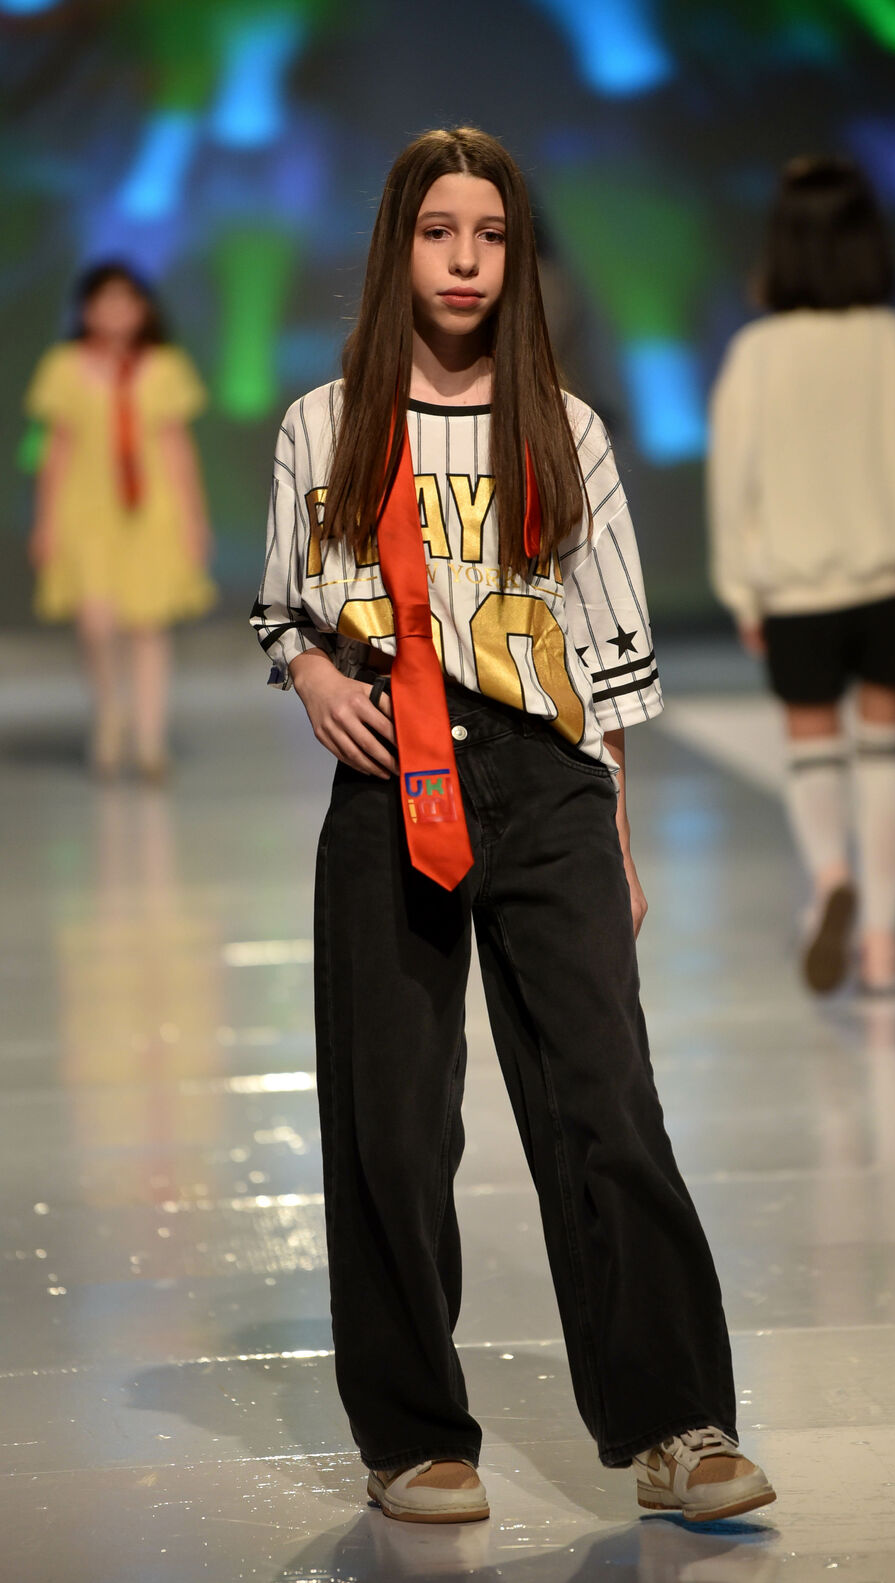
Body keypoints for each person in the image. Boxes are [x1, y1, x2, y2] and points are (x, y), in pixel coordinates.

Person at [251, 126, 775, 1526]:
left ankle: (676, 1422)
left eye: (490, 235)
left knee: (606, 1096)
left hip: (549, 785)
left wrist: (618, 837)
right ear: (398, 247)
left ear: (517, 255)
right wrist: (313, 676)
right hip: (392, 780)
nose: (466, 260)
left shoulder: (564, 427)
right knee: (393, 1120)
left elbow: (606, 661)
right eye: (440, 232)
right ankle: (412, 1433)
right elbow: (286, 606)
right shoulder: (325, 422)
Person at [708, 157, 895, 995]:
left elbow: (732, 483)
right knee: (883, 757)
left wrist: (741, 591)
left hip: (796, 591)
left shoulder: (756, 354)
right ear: (871, 239)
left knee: (814, 755)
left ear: (782, 243)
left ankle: (832, 878)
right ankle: (881, 944)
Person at [26, 261, 215, 780]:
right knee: (95, 622)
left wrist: (194, 519)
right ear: (85, 310)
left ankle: (150, 739)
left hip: (152, 513)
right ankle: (110, 713)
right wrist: (44, 521)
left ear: (142, 309)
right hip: (84, 512)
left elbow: (177, 447)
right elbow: (56, 450)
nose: (114, 311)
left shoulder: (165, 366)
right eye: (103, 300)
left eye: (125, 300)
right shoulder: (64, 367)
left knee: (149, 626)